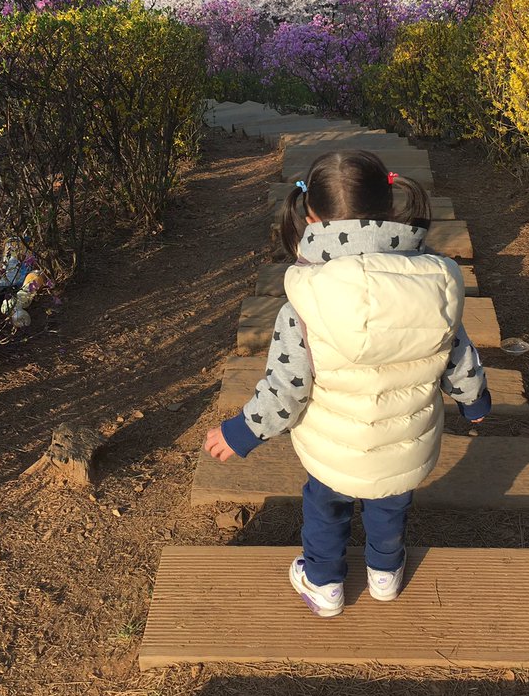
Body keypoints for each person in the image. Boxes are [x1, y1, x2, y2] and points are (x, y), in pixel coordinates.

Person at [203, 150, 491, 618]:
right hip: (406, 443)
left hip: (334, 448)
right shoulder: (436, 285)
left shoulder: (303, 302)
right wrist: (474, 403)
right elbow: (458, 357)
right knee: (390, 504)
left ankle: (325, 584)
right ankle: (384, 574)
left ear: (311, 217)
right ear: (389, 207)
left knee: (325, 507)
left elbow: (286, 390)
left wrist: (240, 433)